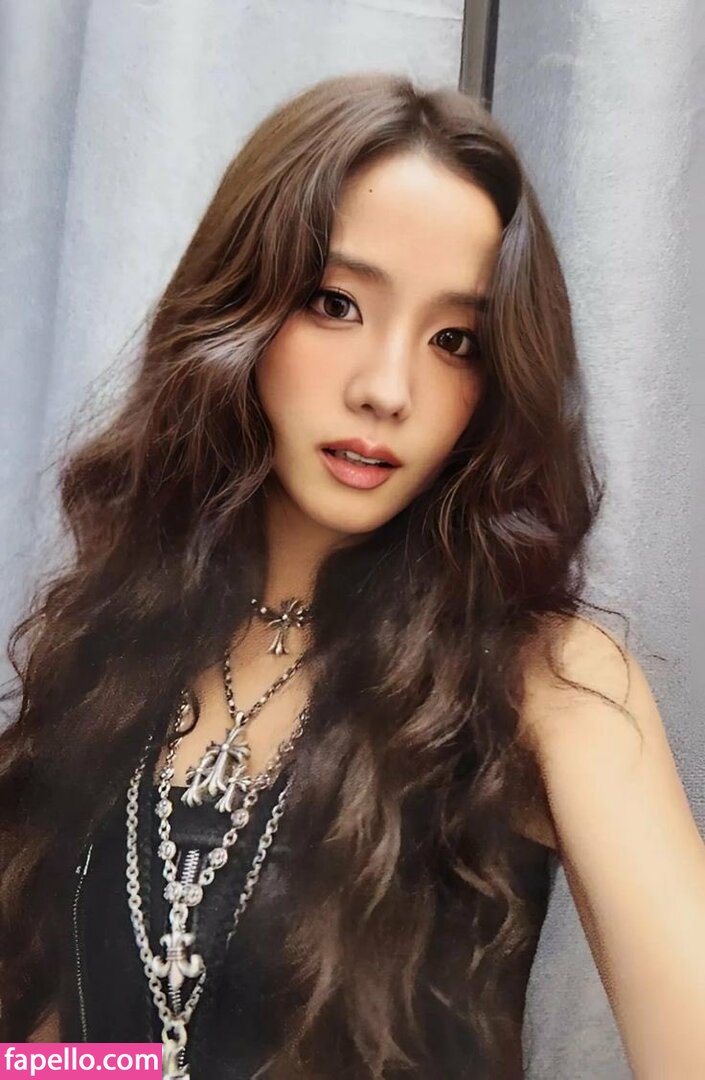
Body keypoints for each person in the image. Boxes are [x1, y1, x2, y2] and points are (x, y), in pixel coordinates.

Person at [0, 71, 703, 1080]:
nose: (386, 389)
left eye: (454, 341)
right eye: (335, 304)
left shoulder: (542, 685)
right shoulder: (121, 658)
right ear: (238, 311)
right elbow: (79, 1047)